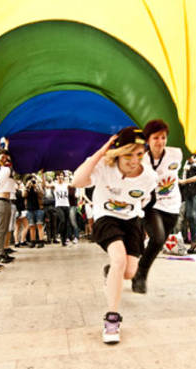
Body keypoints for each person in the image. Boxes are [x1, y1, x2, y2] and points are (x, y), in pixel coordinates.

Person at [72, 127, 158, 344]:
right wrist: (101, 152)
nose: (134, 161)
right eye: (128, 154)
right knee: (119, 258)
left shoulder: (149, 177)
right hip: (106, 217)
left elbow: (145, 201)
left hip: (132, 220)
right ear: (118, 152)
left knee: (128, 272)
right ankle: (112, 320)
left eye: (139, 155)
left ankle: (111, 272)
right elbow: (77, 181)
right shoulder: (104, 166)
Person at [128, 120, 182, 293]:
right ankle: (140, 275)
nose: (160, 142)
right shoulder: (141, 158)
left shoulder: (177, 154)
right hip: (151, 205)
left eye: (163, 137)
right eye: (156, 138)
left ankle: (120, 269)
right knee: (157, 238)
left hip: (172, 206)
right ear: (148, 140)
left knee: (156, 244)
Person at [0, 148, 17, 263]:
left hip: (7, 200)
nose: (5, 159)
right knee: (0, 229)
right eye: (2, 157)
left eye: (6, 157)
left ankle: (2, 251)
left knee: (5, 229)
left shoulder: (9, 169)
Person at [24, 173, 46, 248]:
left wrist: (37, 187)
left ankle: (41, 241)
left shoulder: (38, 186)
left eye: (33, 179)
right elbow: (24, 195)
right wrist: (27, 187)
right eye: (30, 180)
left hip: (39, 208)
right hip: (30, 209)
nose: (32, 181)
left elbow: (42, 195)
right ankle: (33, 241)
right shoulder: (27, 187)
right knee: (31, 226)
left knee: (39, 225)